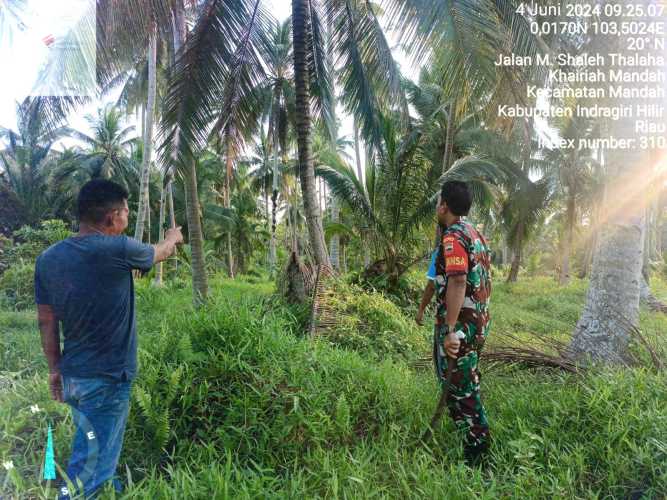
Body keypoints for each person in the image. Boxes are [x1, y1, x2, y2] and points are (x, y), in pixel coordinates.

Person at [35, 179, 184, 499]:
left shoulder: (48, 258)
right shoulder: (118, 248)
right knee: (87, 470)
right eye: (127, 212)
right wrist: (172, 236)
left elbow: (46, 321)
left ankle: (107, 485)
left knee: (95, 444)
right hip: (107, 378)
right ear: (112, 217)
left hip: (74, 374)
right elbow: (161, 252)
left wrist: (54, 369)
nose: (128, 218)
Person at [432, 180, 492, 466]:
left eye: (438, 202)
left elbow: (457, 279)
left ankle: (477, 454)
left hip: (462, 327)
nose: (436, 206)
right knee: (463, 381)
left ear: (444, 205)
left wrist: (451, 330)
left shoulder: (453, 236)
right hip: (478, 323)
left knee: (461, 386)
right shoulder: (474, 233)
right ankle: (467, 436)